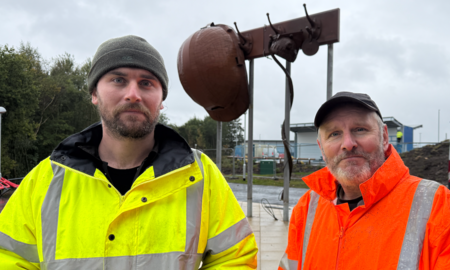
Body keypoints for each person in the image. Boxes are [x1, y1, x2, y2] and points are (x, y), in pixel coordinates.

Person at [0, 35, 257, 269]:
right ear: (94, 93)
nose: (133, 95)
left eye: (146, 83)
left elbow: (235, 258)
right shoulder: (45, 180)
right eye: (118, 80)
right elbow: (9, 258)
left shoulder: (200, 176)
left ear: (161, 99)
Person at [279, 91, 450, 270]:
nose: (348, 144)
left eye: (360, 129)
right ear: (321, 148)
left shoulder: (438, 207)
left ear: (384, 137)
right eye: (334, 134)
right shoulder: (307, 208)